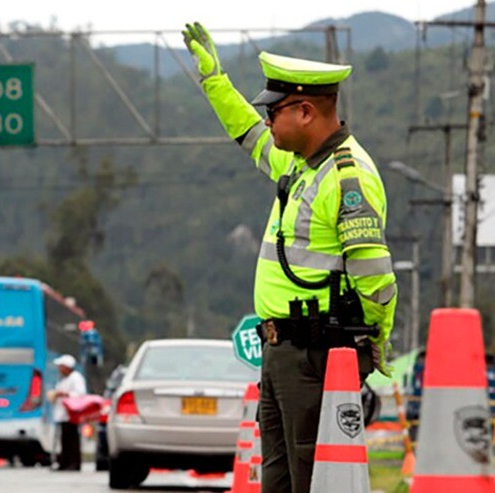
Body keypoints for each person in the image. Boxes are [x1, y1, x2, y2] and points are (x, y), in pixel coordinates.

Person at [182, 23, 397, 493]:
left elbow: (376, 279)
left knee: (310, 479)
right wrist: (214, 80)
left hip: (315, 356)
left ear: (304, 111)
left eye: (274, 112)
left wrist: (372, 343)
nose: (268, 122)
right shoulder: (303, 167)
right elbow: (249, 135)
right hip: (282, 353)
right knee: (277, 480)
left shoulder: (346, 178)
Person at [49, 354, 86, 471]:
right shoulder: (63, 379)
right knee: (64, 440)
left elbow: (80, 394)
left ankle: (73, 463)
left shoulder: (76, 378)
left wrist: (63, 394)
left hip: (72, 415)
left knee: (72, 440)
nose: (59, 369)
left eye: (61, 366)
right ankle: (64, 463)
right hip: (63, 415)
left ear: (67, 367)